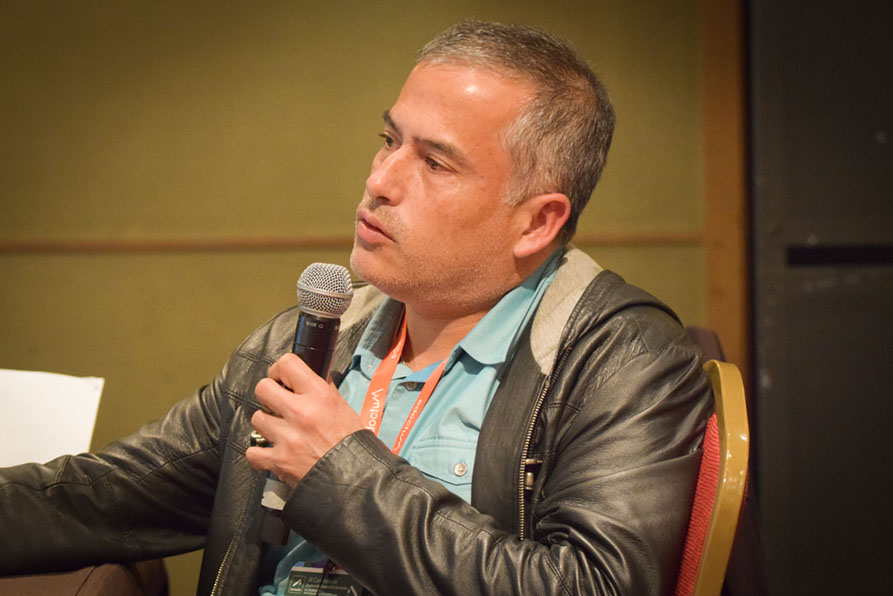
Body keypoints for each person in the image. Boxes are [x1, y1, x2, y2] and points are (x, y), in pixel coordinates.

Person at [0, 19, 711, 595]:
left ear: (536, 222)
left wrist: (339, 470)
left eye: (435, 163)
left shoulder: (623, 360)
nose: (380, 181)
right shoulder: (314, 337)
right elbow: (100, 498)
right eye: (388, 141)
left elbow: (589, 585)